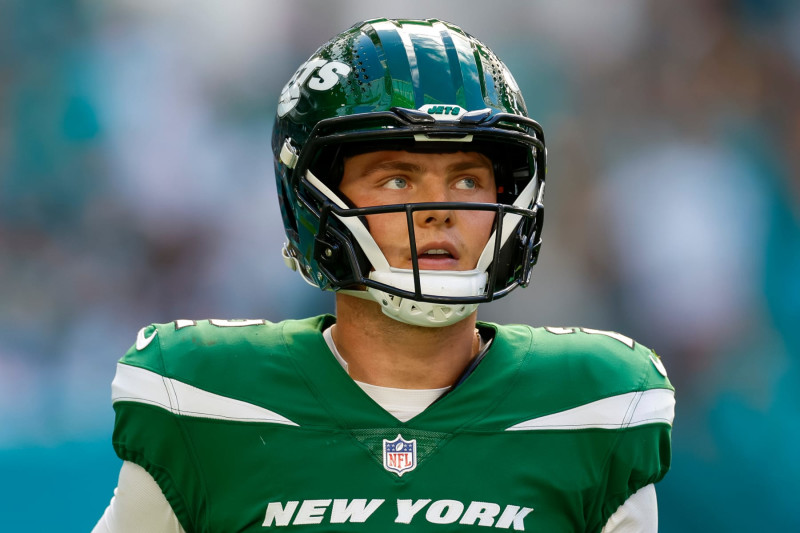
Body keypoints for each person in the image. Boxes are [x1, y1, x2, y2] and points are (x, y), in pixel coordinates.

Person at [94, 18, 674, 532]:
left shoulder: (594, 408)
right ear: (313, 200)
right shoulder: (203, 401)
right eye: (397, 179)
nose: (440, 209)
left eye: (468, 180)